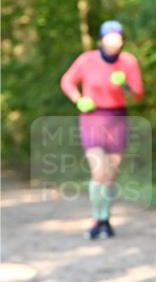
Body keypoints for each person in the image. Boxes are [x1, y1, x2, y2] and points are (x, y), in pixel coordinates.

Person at [60, 20, 144, 239]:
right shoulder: (87, 60)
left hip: (117, 117)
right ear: (101, 38)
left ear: (122, 39)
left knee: (111, 173)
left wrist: (124, 85)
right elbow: (67, 81)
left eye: (118, 36)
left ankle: (105, 219)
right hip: (92, 116)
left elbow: (137, 94)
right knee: (99, 171)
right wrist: (79, 99)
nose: (114, 39)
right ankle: (97, 219)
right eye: (110, 35)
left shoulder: (128, 62)